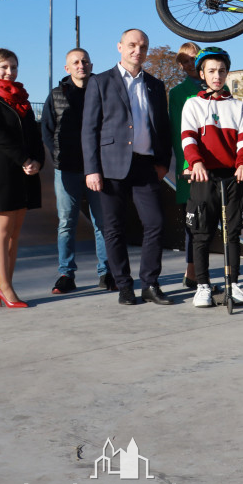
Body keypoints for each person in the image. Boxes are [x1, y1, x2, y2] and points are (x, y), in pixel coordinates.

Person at [83, 29, 173, 306]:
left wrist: (163, 163)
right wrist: (91, 169)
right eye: (132, 45)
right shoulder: (100, 82)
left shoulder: (155, 85)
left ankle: (150, 283)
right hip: (110, 167)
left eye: (143, 46)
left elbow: (163, 127)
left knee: (156, 223)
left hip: (146, 165)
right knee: (113, 228)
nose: (138, 50)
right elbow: (89, 129)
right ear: (120, 46)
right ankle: (123, 285)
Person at [0, 48, 45, 307]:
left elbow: (33, 134)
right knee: (1, 231)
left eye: (13, 67)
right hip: (1, 172)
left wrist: (37, 161)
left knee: (15, 233)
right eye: (4, 67)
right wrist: (24, 159)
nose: (9, 72)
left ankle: (5, 284)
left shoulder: (21, 99)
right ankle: (6, 288)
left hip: (24, 172)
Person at [180, 47, 243, 308]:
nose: (217, 75)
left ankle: (233, 284)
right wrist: (196, 162)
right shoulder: (193, 104)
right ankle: (202, 286)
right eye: (211, 71)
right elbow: (188, 138)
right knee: (201, 232)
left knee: (232, 233)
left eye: (221, 71)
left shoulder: (237, 105)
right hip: (203, 177)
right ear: (202, 73)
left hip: (232, 177)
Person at [41, 48, 115, 294]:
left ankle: (106, 273)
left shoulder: (103, 91)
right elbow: (47, 130)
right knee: (66, 223)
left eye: (84, 61)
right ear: (67, 68)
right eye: (75, 62)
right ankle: (66, 274)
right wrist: (58, 157)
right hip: (67, 169)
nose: (80, 65)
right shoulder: (57, 95)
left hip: (98, 169)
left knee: (102, 223)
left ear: (91, 65)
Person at [167, 41, 214, 292]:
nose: (187, 64)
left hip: (217, 166)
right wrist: (188, 163)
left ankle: (200, 273)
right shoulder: (177, 94)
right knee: (193, 222)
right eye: (183, 60)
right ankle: (193, 273)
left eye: (192, 59)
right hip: (191, 168)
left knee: (211, 221)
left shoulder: (220, 87)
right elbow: (177, 133)